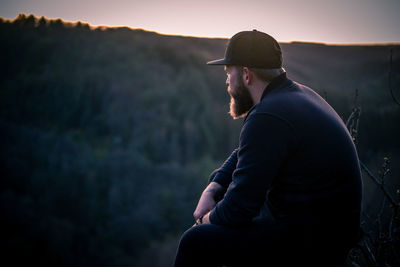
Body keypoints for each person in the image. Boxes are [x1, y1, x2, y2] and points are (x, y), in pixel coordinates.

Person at [174, 30, 362, 267]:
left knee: (195, 241)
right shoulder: (295, 96)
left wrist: (204, 220)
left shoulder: (269, 115)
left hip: (311, 245)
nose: (226, 81)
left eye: (228, 71)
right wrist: (214, 187)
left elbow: (238, 209)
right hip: (326, 231)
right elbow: (246, 151)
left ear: (245, 74)